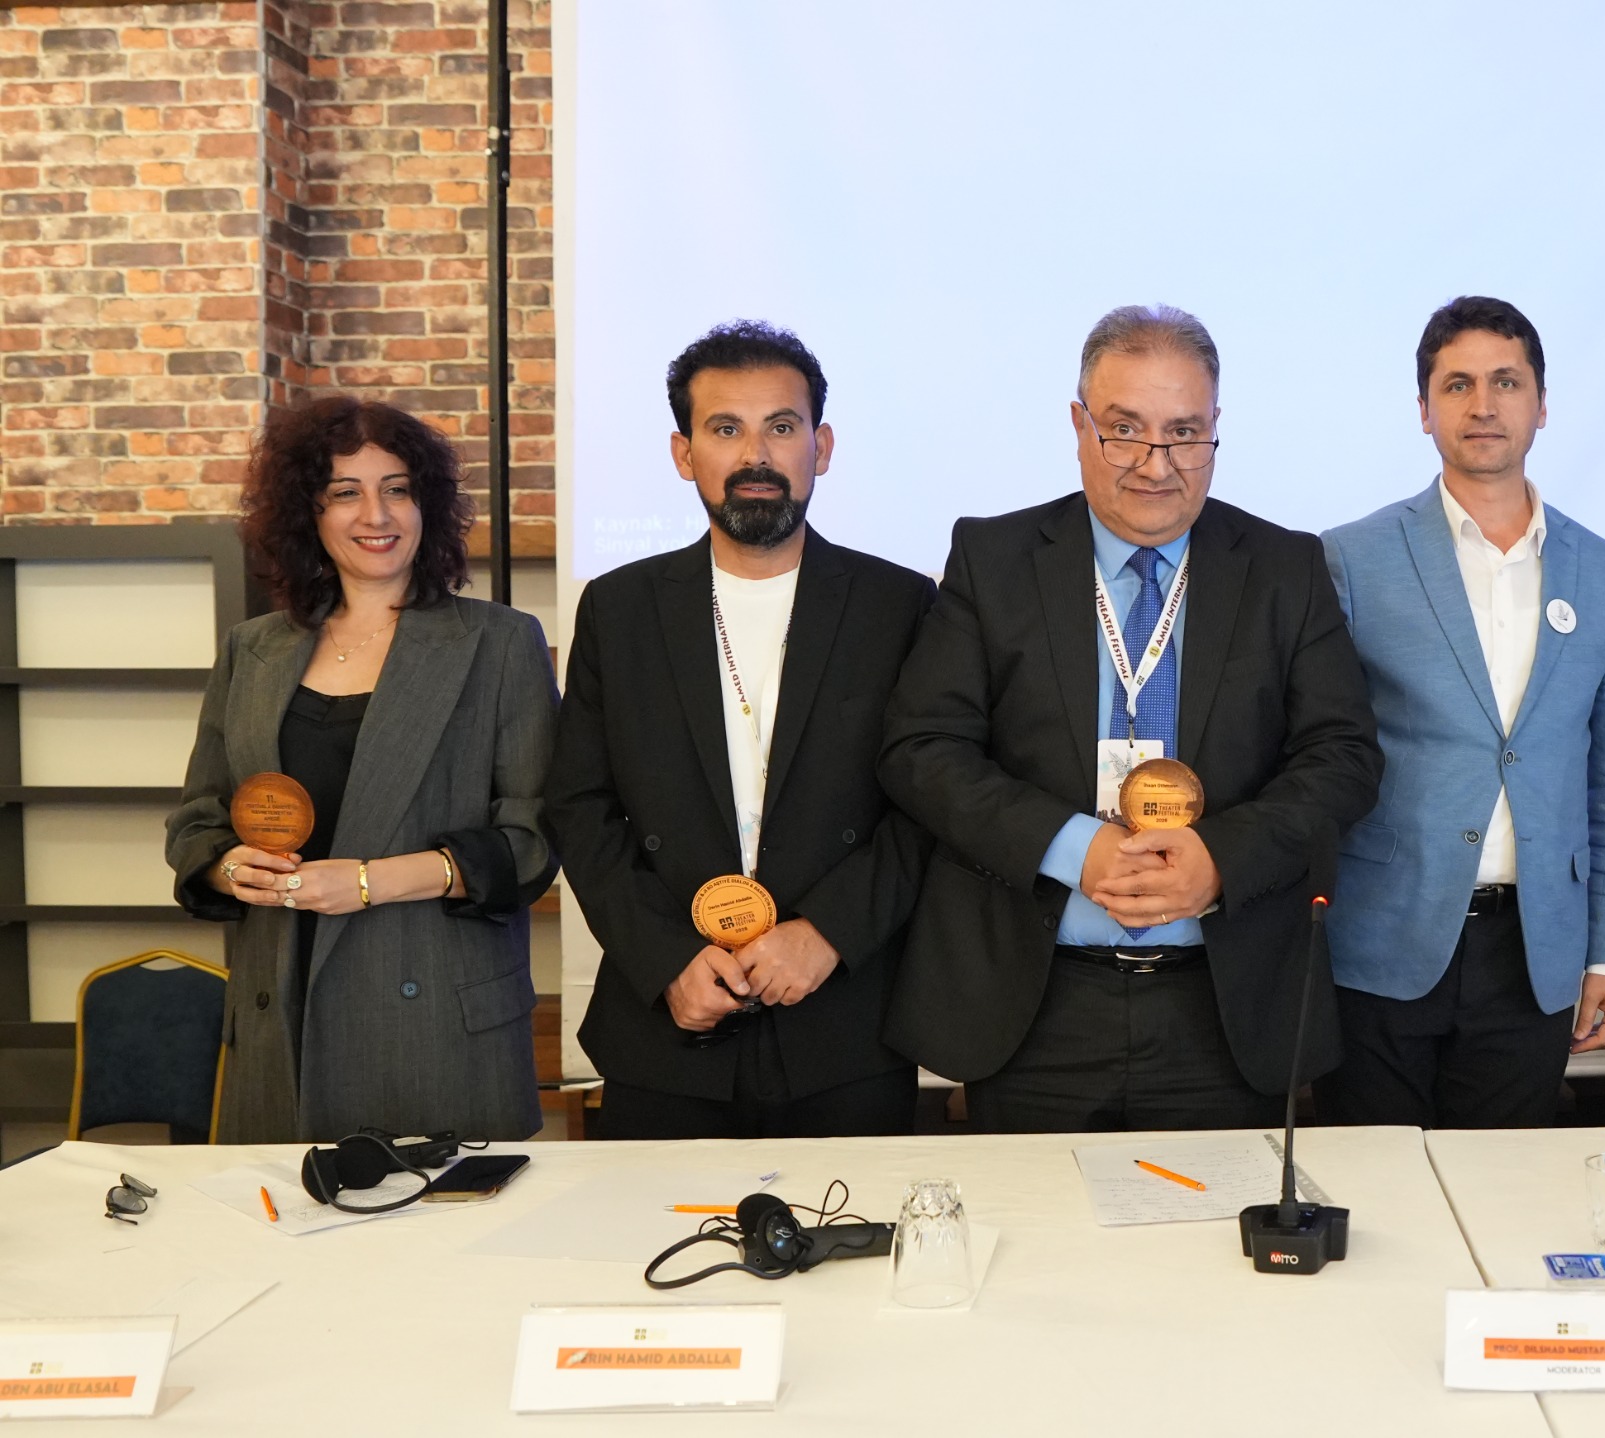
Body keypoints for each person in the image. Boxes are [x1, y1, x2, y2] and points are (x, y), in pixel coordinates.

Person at [881, 304, 1381, 1133]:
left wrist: (1219, 858)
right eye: (1124, 430)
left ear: (1215, 430)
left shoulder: (1284, 567)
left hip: (1224, 1008)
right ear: (1080, 426)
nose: (1156, 465)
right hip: (1034, 1005)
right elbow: (923, 749)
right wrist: (1073, 847)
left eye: (1183, 434)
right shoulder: (994, 559)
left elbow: (1344, 757)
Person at [545, 321, 935, 1139]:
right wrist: (665, 961)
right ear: (684, 453)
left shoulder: (900, 606)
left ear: (821, 447)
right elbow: (579, 809)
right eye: (725, 429)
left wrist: (829, 934)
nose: (756, 455)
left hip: (846, 1027)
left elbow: (930, 804)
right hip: (668, 1028)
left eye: (781, 427)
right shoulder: (620, 609)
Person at [165, 396, 557, 1143]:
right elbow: (198, 821)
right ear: (307, 514)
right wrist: (228, 868)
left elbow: (533, 840)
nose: (376, 514)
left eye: (397, 489)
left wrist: (370, 882)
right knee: (279, 1217)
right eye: (345, 492)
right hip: (278, 1009)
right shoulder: (252, 649)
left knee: (436, 1221)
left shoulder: (500, 643)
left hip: (434, 1024)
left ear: (427, 504)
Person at [1314, 297, 1605, 1128]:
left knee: (1503, 1190)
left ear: (1542, 403)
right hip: (1380, 939)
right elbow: (1317, 759)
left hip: (1535, 951)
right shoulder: (1351, 557)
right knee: (1374, 1182)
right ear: (1424, 409)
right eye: (1457, 384)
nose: (1484, 404)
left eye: (1506, 381)